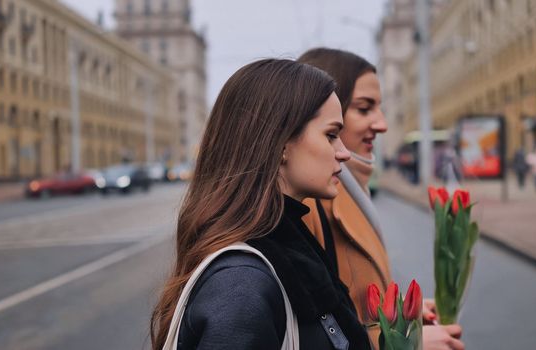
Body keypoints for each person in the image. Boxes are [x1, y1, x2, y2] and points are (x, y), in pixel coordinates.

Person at [150, 59, 372, 350]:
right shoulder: (241, 283)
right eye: (331, 135)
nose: (343, 152)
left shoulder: (287, 245)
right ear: (280, 144)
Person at [298, 48, 465, 350]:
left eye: (379, 108)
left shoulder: (349, 191)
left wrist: (403, 319)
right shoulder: (308, 204)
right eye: (364, 109)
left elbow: (352, 303)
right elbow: (314, 330)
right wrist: (405, 344)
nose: (382, 123)